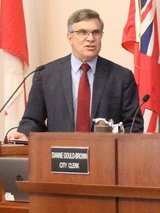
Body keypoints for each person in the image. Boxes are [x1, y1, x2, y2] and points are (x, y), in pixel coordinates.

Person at [8, 8, 143, 142]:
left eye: (96, 32)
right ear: (69, 38)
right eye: (82, 32)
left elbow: (133, 126)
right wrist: (24, 133)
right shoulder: (46, 75)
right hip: (60, 156)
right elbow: (33, 119)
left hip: (106, 158)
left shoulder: (121, 77)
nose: (90, 38)